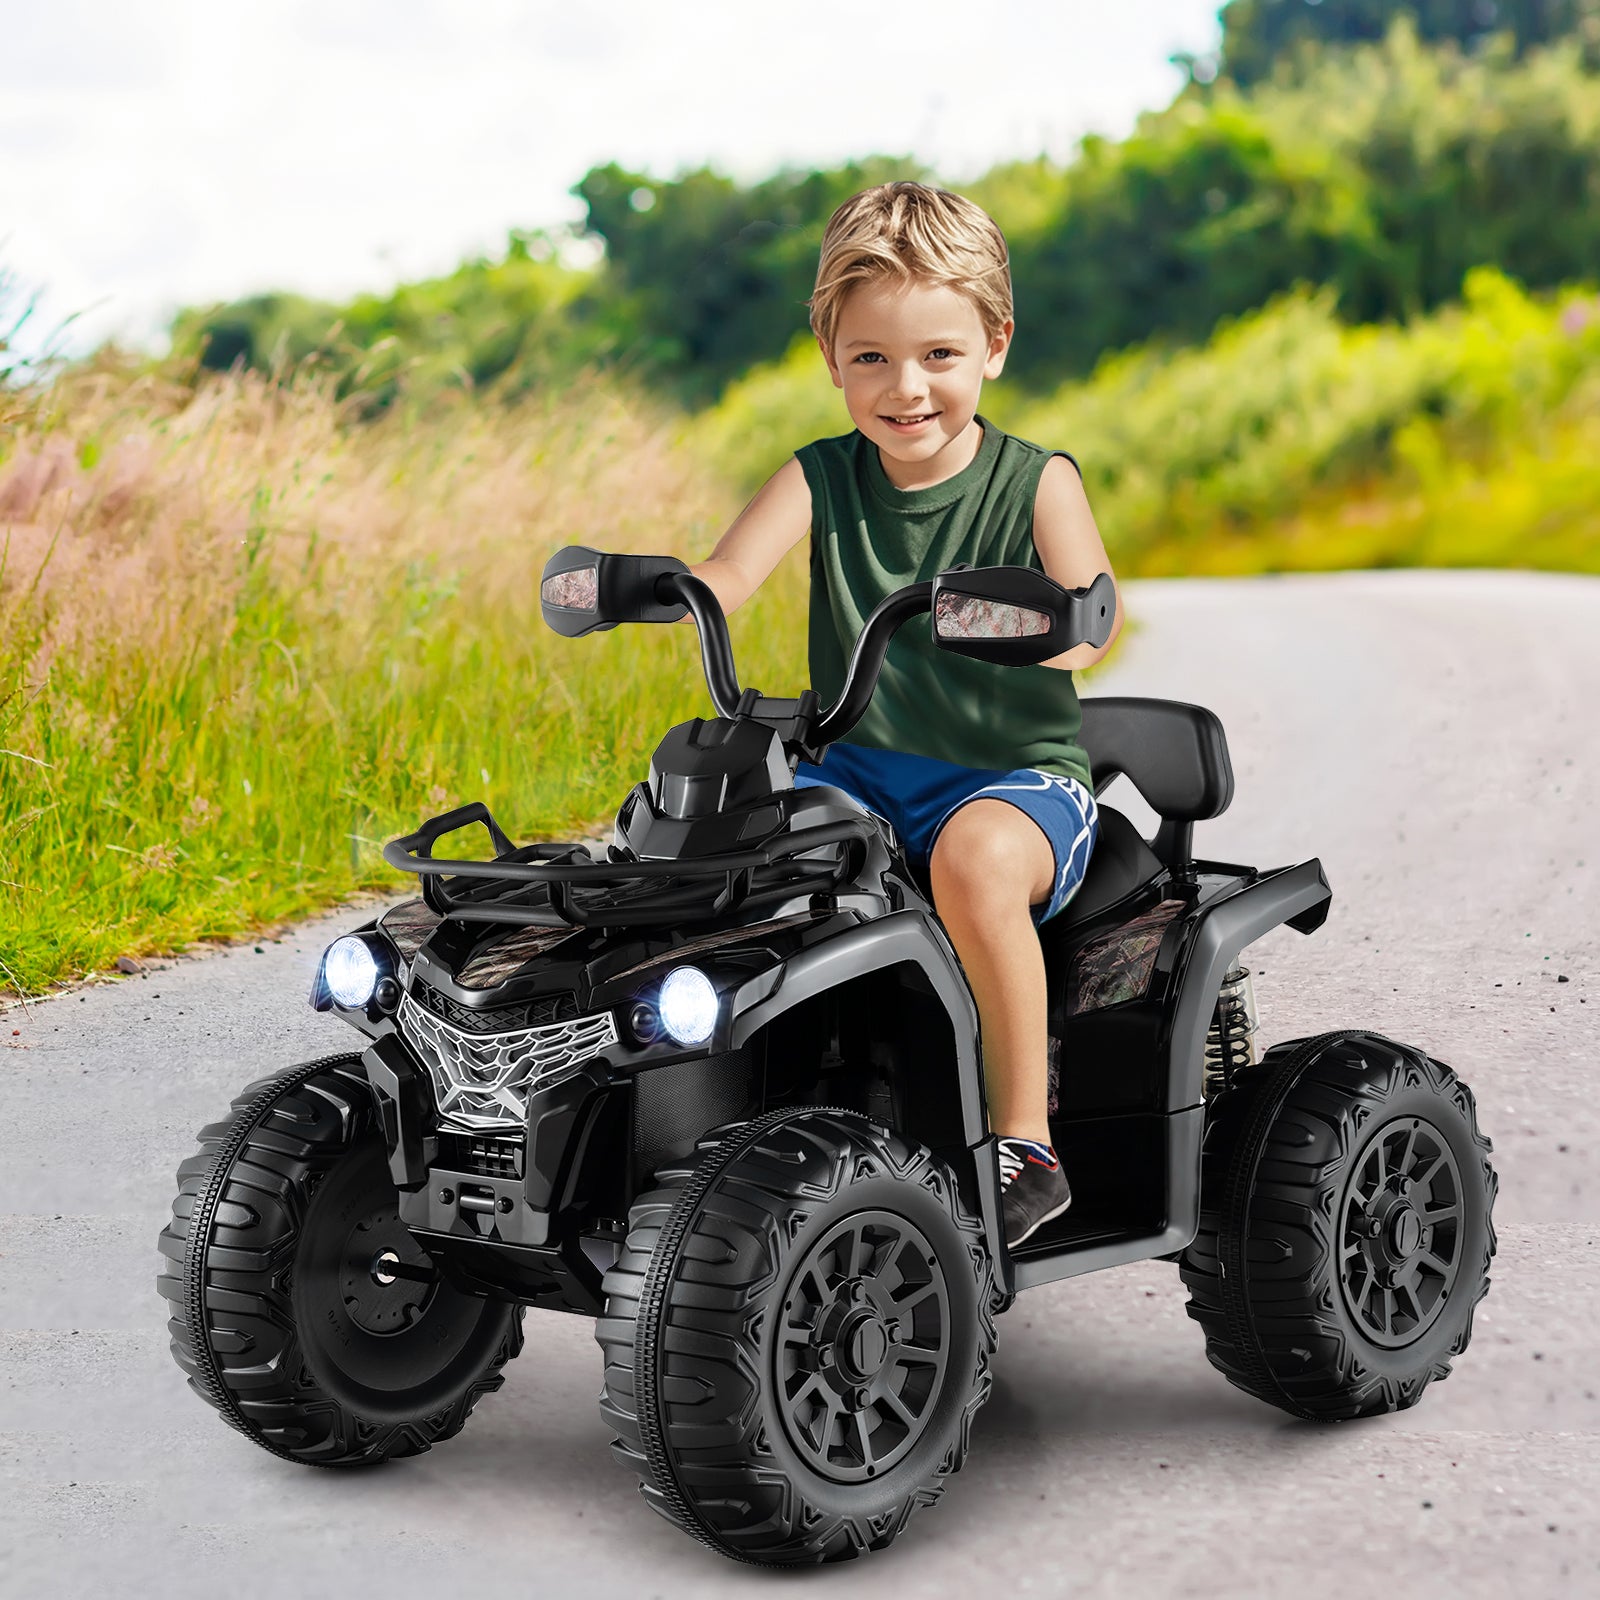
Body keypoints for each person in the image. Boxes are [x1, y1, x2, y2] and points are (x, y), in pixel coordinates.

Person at [684, 181, 1124, 1248]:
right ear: (831, 358)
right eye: (872, 357)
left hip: (1012, 779)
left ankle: (1025, 1144)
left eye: (939, 354)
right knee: (721, 854)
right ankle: (725, 1115)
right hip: (859, 774)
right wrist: (664, 587)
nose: (906, 386)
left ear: (994, 347)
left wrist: (1027, 621)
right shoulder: (819, 477)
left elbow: (1093, 620)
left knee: (973, 861)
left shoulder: (1035, 482)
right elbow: (728, 573)